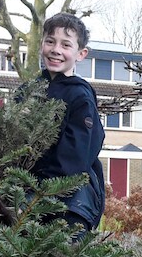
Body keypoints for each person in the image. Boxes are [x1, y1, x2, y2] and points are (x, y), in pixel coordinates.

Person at [30, 13, 105, 235]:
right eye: (50, 41)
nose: (56, 50)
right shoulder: (29, 92)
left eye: (66, 44)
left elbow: (76, 158)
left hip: (66, 207)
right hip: (24, 196)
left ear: (80, 54)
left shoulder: (79, 97)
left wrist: (34, 190)